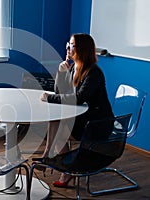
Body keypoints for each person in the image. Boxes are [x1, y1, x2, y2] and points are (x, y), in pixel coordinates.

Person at [39, 33, 114, 187]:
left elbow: (78, 98)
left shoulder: (93, 72)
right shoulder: (74, 67)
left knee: (59, 133)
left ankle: (64, 168)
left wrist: (49, 98)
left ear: (81, 49)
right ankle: (50, 154)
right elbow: (61, 94)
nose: (67, 47)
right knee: (56, 118)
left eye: (71, 45)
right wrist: (61, 73)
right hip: (83, 118)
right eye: (69, 44)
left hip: (96, 124)